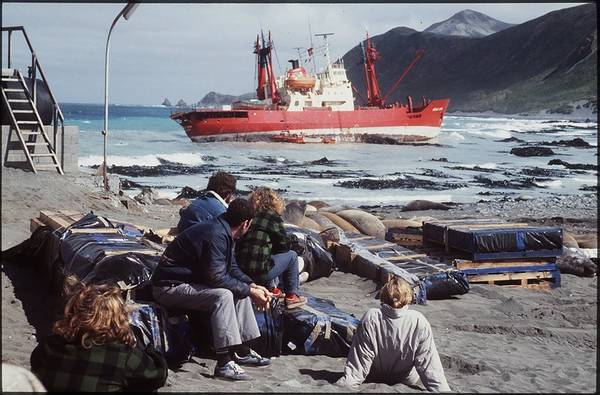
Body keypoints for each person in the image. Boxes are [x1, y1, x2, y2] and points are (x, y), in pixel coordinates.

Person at [151, 198, 273, 381]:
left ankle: (241, 350)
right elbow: (216, 278)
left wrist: (252, 285)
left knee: (242, 289)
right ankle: (224, 363)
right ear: (245, 223)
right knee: (223, 295)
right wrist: (250, 291)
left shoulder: (223, 229)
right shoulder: (216, 234)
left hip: (185, 283)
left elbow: (230, 268)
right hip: (168, 287)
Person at [30, 277, 168, 392]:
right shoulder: (123, 355)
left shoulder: (50, 345)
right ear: (117, 317)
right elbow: (158, 375)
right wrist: (147, 348)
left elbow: (35, 364)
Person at [336, 277, 450, 392]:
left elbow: (360, 360)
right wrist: (442, 390)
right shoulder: (418, 320)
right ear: (408, 296)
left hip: (375, 376)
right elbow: (429, 363)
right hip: (405, 380)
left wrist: (347, 383)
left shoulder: (371, 317)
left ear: (384, 295)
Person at [235, 187, 307, 309]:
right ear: (274, 202)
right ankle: (291, 296)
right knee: (292, 256)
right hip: (259, 273)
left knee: (264, 254)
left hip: (240, 271)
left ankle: (273, 289)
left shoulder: (248, 215)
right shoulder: (272, 217)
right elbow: (284, 246)